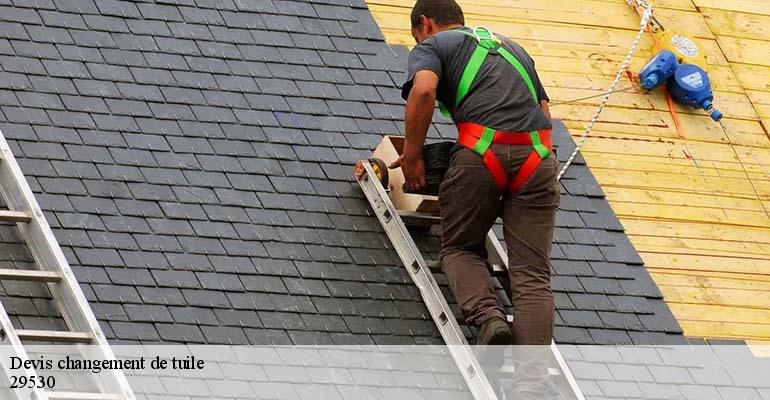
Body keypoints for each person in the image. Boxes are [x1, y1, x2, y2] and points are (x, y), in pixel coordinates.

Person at [393, 0, 559, 349]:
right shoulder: (515, 50)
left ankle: (489, 318)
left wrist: (412, 155)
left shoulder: (433, 46)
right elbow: (544, 114)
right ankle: (532, 378)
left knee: (459, 247)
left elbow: (423, 90)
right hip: (539, 159)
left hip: (482, 152)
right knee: (532, 277)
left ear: (426, 24)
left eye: (417, 36)